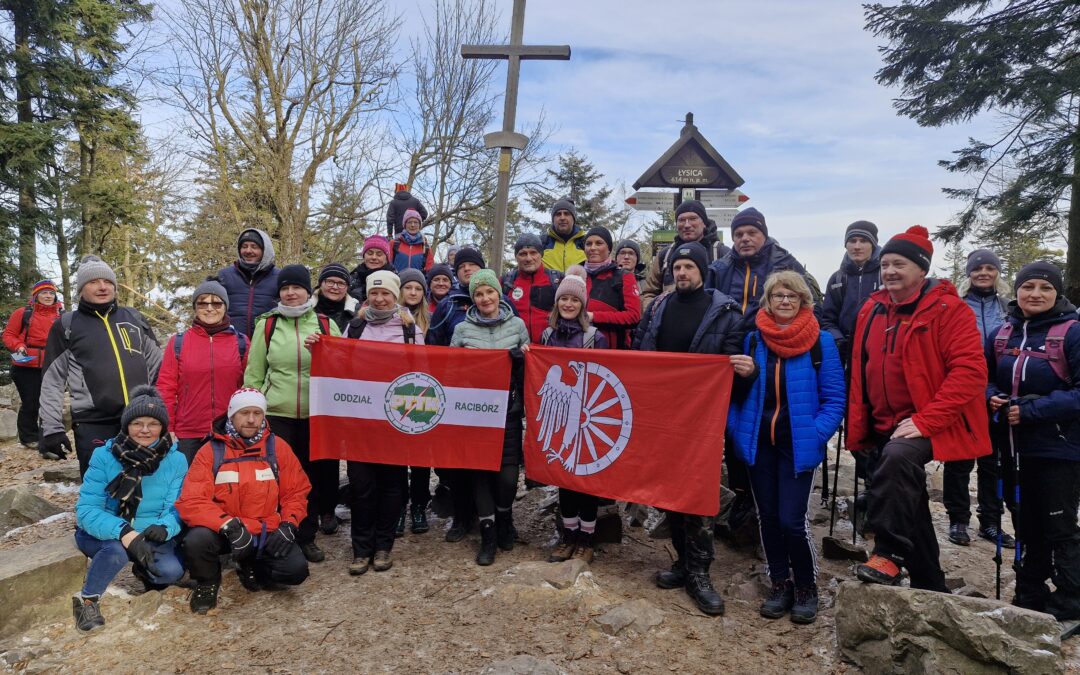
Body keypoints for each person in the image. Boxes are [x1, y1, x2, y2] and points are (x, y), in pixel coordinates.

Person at [848, 226, 990, 592]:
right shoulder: (872, 308)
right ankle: (930, 585)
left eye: (900, 264)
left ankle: (889, 553)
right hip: (884, 421)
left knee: (897, 461)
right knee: (910, 502)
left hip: (929, 421)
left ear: (922, 269)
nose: (890, 271)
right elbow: (862, 366)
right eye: (886, 264)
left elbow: (970, 371)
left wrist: (927, 421)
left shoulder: (949, 310)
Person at [633, 241, 748, 616]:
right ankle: (682, 562)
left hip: (701, 419)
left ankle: (700, 572)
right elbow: (640, 353)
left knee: (698, 494)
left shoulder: (726, 313)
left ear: (703, 271)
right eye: (677, 267)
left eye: (689, 267)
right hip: (662, 415)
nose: (682, 273)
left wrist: (745, 372)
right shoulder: (658, 308)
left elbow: (732, 368)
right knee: (669, 491)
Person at [728, 271, 845, 624]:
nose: (785, 301)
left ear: (804, 302)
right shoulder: (753, 341)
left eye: (792, 296)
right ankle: (780, 583)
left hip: (797, 444)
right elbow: (732, 397)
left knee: (793, 521)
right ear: (767, 300)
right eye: (778, 295)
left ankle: (806, 587)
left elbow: (835, 399)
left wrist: (814, 432)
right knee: (768, 518)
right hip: (759, 442)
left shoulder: (820, 342)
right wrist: (736, 429)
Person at [986, 262, 1080, 619]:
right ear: (1017, 291)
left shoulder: (1072, 332)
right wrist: (990, 396)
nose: (1035, 294)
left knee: (1059, 524)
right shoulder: (1001, 334)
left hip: (1060, 448)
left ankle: (1072, 599)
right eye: (1028, 287)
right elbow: (982, 378)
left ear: (1057, 293)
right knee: (1026, 521)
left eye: (1045, 287)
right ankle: (1031, 593)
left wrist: (1032, 410)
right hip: (1012, 447)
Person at [176, 388, 310, 614]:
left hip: (265, 529)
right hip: (227, 531)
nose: (251, 419)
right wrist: (228, 525)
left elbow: (296, 492)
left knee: (295, 570)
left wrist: (289, 524)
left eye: (257, 413)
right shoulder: (211, 450)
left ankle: (253, 565)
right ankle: (207, 583)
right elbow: (192, 500)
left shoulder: (277, 448)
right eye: (244, 412)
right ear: (231, 415)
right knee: (196, 540)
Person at [326, 270, 423, 574]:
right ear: (367, 295)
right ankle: (360, 549)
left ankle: (383, 546)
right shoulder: (355, 327)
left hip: (394, 420)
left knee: (392, 485)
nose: (380, 299)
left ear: (395, 296)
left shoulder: (410, 330)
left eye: (386, 294)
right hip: (360, 421)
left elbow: (421, 374)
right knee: (361, 485)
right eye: (375, 293)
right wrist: (318, 349)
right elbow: (338, 365)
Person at [244, 264, 341, 563]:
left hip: (317, 415)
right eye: (285, 288)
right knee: (280, 479)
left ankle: (307, 536)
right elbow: (254, 372)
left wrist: (324, 349)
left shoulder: (325, 324)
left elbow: (344, 367)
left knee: (310, 479)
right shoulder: (268, 325)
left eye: (296, 287)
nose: (290, 292)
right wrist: (253, 412)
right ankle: (279, 533)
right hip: (277, 414)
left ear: (307, 290)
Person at [72, 385, 186, 631]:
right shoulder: (104, 456)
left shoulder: (176, 460)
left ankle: (144, 571)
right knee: (116, 551)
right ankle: (87, 600)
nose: (145, 430)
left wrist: (166, 528)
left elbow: (179, 505)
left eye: (153, 424)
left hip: (148, 531)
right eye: (137, 423)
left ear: (163, 427)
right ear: (126, 425)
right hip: (106, 532)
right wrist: (124, 532)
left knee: (171, 572)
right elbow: (87, 509)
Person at [39, 256, 162, 475]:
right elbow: (52, 381)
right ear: (81, 289)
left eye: (107, 282)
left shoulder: (134, 318)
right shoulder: (67, 325)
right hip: (93, 421)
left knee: (146, 486)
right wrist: (52, 428)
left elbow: (158, 367)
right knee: (99, 488)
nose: (103, 287)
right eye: (93, 282)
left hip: (139, 417)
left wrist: (156, 407)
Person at [450, 268, 530, 566]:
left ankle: (505, 517)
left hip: (508, 411)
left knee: (507, 476)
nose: (485, 298)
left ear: (499, 293)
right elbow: (450, 370)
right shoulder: (461, 330)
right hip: (474, 412)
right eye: (479, 293)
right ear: (473, 298)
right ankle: (488, 532)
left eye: (489, 292)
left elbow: (531, 369)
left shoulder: (518, 325)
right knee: (480, 473)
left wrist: (522, 359)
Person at [944, 248, 1015, 547]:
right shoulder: (956, 306)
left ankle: (991, 521)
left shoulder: (1009, 308)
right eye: (977, 269)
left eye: (989, 268)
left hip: (998, 392)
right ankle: (958, 518)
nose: (983, 273)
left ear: (997, 272)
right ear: (969, 274)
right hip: (963, 390)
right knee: (959, 457)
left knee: (993, 460)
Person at [540, 267, 608, 564]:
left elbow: (606, 377)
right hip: (560, 417)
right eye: (563, 299)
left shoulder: (595, 337)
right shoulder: (547, 335)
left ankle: (586, 539)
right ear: (557, 303)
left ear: (583, 304)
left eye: (574, 300)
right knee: (564, 479)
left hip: (587, 418)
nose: (568, 304)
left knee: (587, 481)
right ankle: (568, 536)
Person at [157, 280, 248, 463]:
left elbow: (249, 387)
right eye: (202, 303)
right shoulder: (178, 343)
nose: (209, 308)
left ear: (225, 306)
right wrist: (168, 427)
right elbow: (166, 388)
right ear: (195, 307)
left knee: (227, 488)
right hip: (189, 434)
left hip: (230, 431)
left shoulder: (241, 343)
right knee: (189, 488)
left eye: (216, 303)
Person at [708, 208, 820, 315]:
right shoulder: (719, 269)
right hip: (728, 334)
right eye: (739, 234)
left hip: (771, 334)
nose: (745, 238)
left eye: (752, 233)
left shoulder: (786, 264)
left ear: (764, 236)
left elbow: (812, 307)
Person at [3, 279, 63, 449]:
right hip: (25, 365)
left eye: (51, 293)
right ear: (36, 295)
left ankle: (49, 437)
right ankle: (29, 437)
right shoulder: (23, 313)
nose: (48, 296)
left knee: (50, 402)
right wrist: (18, 346)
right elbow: (9, 335)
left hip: (51, 365)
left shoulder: (61, 316)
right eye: (44, 293)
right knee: (31, 401)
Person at [641, 200, 730, 308]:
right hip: (671, 322)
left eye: (693, 219)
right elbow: (649, 292)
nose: (687, 225)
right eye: (682, 220)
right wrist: (654, 317)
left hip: (711, 322)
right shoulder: (665, 255)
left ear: (704, 223)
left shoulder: (722, 253)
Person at [820, 221, 881, 362]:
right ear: (846, 245)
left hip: (879, 349)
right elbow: (827, 319)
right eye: (852, 241)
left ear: (873, 244)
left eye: (863, 241)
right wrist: (838, 340)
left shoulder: (885, 274)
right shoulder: (837, 279)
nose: (857, 246)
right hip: (845, 352)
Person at [581, 227, 641, 349]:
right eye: (588, 244)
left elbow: (634, 316)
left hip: (611, 351)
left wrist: (594, 316)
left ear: (609, 249)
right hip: (578, 348)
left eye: (599, 243)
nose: (592, 248)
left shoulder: (623, 276)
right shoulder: (576, 274)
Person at [216, 229, 280, 337]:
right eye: (244, 246)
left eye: (254, 247)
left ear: (265, 250)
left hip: (267, 343)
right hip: (232, 344)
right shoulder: (224, 276)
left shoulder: (280, 277)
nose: (248, 251)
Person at [502, 233, 564, 343]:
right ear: (516, 257)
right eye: (523, 254)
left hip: (548, 351)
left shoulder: (557, 280)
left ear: (541, 254)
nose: (528, 258)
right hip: (515, 350)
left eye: (533, 253)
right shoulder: (505, 282)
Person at [427, 247, 486, 347]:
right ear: (456, 274)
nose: (467, 268)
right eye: (461, 266)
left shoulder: (501, 300)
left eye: (472, 264)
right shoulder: (446, 305)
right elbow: (434, 346)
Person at [540, 199, 586, 273]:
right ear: (553, 219)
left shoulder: (586, 242)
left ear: (573, 218)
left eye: (566, 214)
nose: (562, 218)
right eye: (558, 214)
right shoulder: (542, 242)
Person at [349, 235, 395, 303]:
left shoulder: (396, 280)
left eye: (379, 254)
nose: (374, 257)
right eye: (370, 253)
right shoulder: (352, 279)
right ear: (364, 256)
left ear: (386, 258)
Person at [313, 263, 359, 331]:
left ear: (347, 287)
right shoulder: (305, 306)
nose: (335, 287)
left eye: (341, 283)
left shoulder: (357, 312)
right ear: (320, 284)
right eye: (330, 282)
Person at [392, 209, 434, 273]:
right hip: (396, 282)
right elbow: (387, 266)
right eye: (409, 222)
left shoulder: (425, 247)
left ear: (419, 225)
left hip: (417, 282)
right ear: (405, 224)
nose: (412, 225)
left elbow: (430, 270)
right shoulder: (394, 243)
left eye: (416, 222)